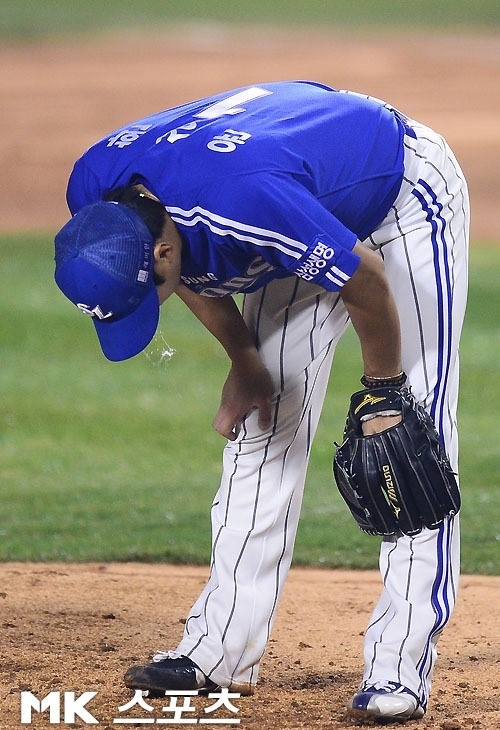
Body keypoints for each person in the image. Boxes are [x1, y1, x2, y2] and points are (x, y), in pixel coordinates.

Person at [54, 80, 469, 722]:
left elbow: (362, 279)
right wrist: (244, 360)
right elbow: (190, 264)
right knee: (264, 424)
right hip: (288, 199)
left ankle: (400, 669)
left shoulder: (243, 202)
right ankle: (218, 652)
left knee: (412, 436)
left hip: (395, 195)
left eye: (144, 294)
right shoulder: (96, 193)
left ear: (159, 253)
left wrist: (383, 391)